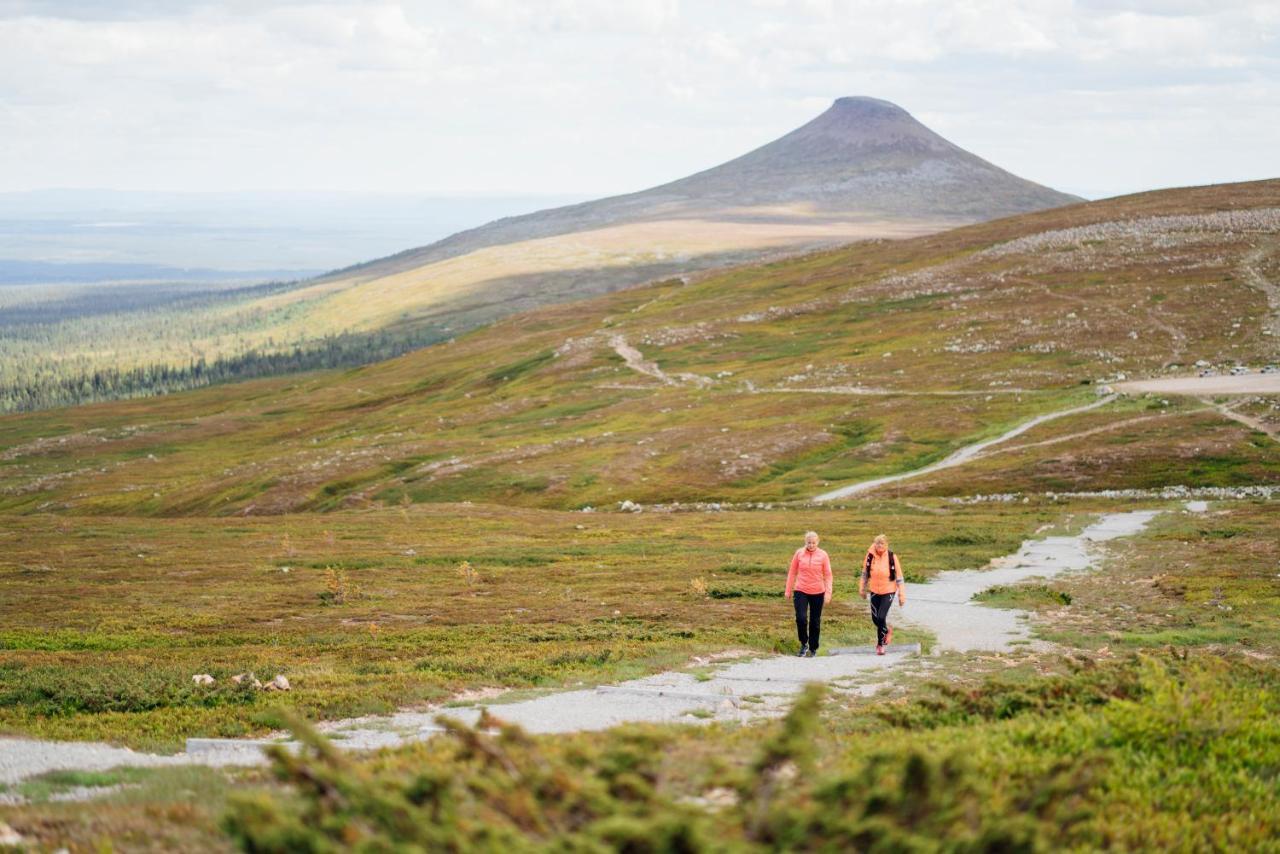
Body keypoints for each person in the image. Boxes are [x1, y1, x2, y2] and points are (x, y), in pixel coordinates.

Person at [784, 530, 833, 657]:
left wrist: (828, 593)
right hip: (801, 590)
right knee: (801, 618)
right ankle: (804, 643)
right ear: (805, 542)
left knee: (815, 621)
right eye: (808, 542)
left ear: (818, 542)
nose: (811, 545)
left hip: (818, 591)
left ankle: (813, 648)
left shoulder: (823, 555)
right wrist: (788, 590)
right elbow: (792, 572)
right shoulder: (799, 553)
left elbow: (828, 575)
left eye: (813, 543)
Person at [859, 534, 906, 655]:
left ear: (886, 545)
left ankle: (880, 645)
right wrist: (862, 589)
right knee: (875, 620)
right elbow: (864, 574)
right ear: (874, 544)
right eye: (877, 543)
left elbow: (899, 577)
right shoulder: (870, 556)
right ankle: (887, 631)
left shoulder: (892, 557)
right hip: (874, 590)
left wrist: (902, 595)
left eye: (882, 543)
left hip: (888, 590)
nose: (879, 546)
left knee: (881, 617)